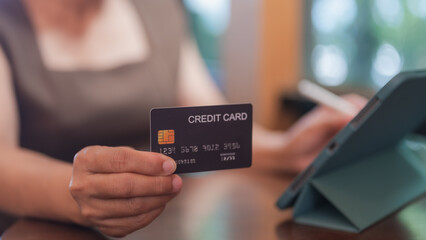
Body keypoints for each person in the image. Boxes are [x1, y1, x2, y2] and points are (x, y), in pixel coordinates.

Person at [0, 0, 366, 237]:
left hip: (157, 226)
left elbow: (203, 121)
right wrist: (77, 193)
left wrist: (286, 149)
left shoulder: (159, 10)